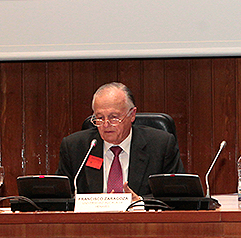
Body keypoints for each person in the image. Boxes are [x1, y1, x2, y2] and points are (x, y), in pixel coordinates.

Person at [56, 82, 184, 196]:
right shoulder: (76, 147)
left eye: (114, 117)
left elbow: (175, 196)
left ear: (132, 114)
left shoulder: (160, 145)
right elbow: (61, 197)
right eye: (99, 118)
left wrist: (140, 202)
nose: (106, 125)